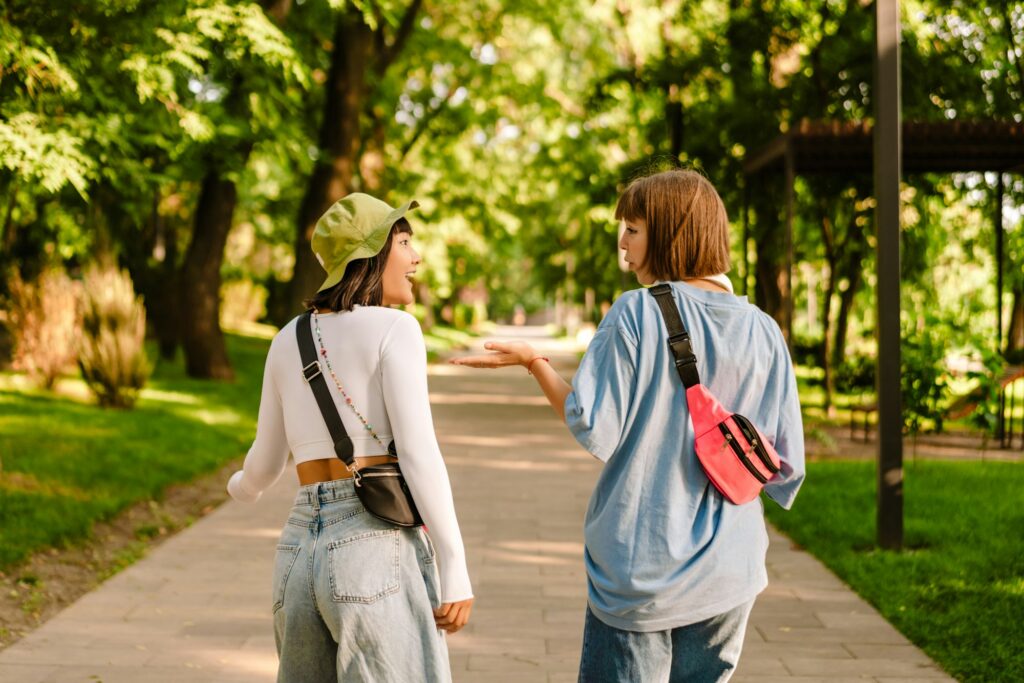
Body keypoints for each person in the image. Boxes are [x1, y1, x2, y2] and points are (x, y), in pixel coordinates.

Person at [452, 168, 804, 682]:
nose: (622, 244)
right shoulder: (765, 330)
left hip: (643, 569)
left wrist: (534, 362)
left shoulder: (637, 313)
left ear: (669, 231)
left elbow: (593, 426)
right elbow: (784, 463)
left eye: (633, 229)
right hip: (731, 571)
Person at [227, 193, 474, 682]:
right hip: (371, 544)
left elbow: (266, 461)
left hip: (298, 552)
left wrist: (242, 488)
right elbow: (420, 454)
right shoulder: (396, 329)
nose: (416, 257)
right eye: (404, 242)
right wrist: (454, 561)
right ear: (372, 252)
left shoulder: (286, 339)